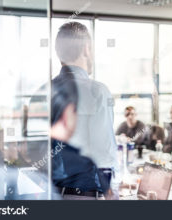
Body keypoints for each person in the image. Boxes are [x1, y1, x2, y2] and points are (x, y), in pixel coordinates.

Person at [54, 22, 119, 195]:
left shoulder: (42, 92)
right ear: (86, 49)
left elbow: (33, 152)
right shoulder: (97, 91)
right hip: (85, 196)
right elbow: (103, 155)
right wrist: (113, 195)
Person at [50, 73, 110, 200]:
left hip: (52, 193)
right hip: (84, 195)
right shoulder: (96, 90)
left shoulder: (45, 90)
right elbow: (103, 151)